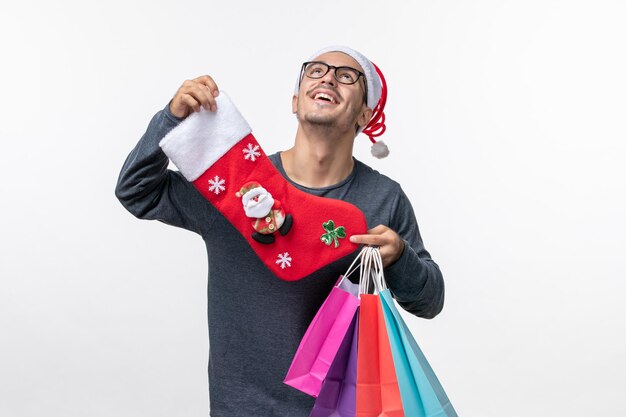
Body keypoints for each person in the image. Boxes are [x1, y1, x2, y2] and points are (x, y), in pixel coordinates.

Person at [115, 45, 444, 417]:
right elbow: (136, 191)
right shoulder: (235, 190)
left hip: (339, 408)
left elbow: (429, 301)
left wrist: (400, 257)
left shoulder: (383, 199)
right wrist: (170, 119)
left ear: (365, 115)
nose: (329, 77)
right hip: (239, 409)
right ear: (295, 100)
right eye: (316, 71)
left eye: (347, 75)